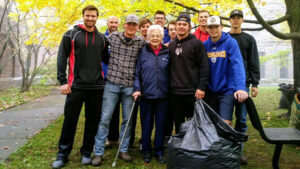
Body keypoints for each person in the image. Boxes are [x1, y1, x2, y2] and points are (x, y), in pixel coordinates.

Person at [52, 5, 109, 169]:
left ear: (97, 17)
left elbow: (107, 60)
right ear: (83, 16)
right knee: (70, 121)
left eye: (93, 16)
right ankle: (63, 154)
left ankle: (86, 152)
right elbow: (62, 58)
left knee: (92, 122)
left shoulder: (102, 39)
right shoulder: (70, 34)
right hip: (75, 86)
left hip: (97, 87)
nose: (90, 18)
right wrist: (62, 81)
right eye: (88, 15)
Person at [92, 14, 145, 166]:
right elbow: (98, 45)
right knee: (105, 119)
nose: (131, 27)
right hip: (112, 84)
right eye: (129, 24)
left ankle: (124, 149)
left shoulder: (140, 41)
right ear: (124, 25)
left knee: (127, 121)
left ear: (137, 27)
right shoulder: (113, 37)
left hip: (129, 86)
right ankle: (98, 152)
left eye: (134, 25)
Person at [132, 25, 169, 164]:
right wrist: (137, 88)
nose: (154, 38)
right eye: (152, 35)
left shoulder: (167, 52)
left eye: (157, 35)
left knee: (160, 125)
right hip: (146, 95)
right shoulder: (142, 51)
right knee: (147, 125)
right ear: (147, 37)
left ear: (161, 37)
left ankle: (159, 151)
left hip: (163, 96)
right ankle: (146, 150)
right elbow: (137, 73)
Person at [203, 16, 248, 125]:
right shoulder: (204, 45)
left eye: (216, 27)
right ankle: (215, 143)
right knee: (211, 123)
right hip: (210, 91)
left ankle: (226, 142)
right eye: (211, 27)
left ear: (221, 27)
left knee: (225, 123)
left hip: (227, 90)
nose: (213, 29)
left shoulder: (230, 43)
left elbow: (237, 65)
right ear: (207, 29)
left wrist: (241, 87)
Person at [168, 13, 209, 134]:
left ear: (189, 27)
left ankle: (193, 150)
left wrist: (201, 87)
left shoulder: (197, 44)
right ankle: (180, 149)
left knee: (194, 124)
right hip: (175, 92)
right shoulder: (171, 45)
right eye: (179, 24)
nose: (181, 27)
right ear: (175, 26)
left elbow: (204, 67)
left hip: (192, 92)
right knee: (178, 124)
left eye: (184, 25)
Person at [229, 9, 260, 165]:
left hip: (244, 85)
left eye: (238, 18)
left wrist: (255, 83)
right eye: (233, 18)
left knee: (241, 119)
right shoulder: (225, 38)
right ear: (229, 21)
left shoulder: (249, 39)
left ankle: (238, 152)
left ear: (242, 21)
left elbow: (254, 61)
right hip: (227, 85)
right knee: (225, 120)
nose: (235, 20)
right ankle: (226, 152)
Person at [103, 16, 121, 148]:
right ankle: (101, 138)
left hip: (118, 79)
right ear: (107, 24)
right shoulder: (102, 38)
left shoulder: (121, 39)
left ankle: (113, 138)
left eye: (116, 22)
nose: (113, 24)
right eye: (111, 22)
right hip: (104, 79)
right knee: (104, 111)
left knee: (115, 111)